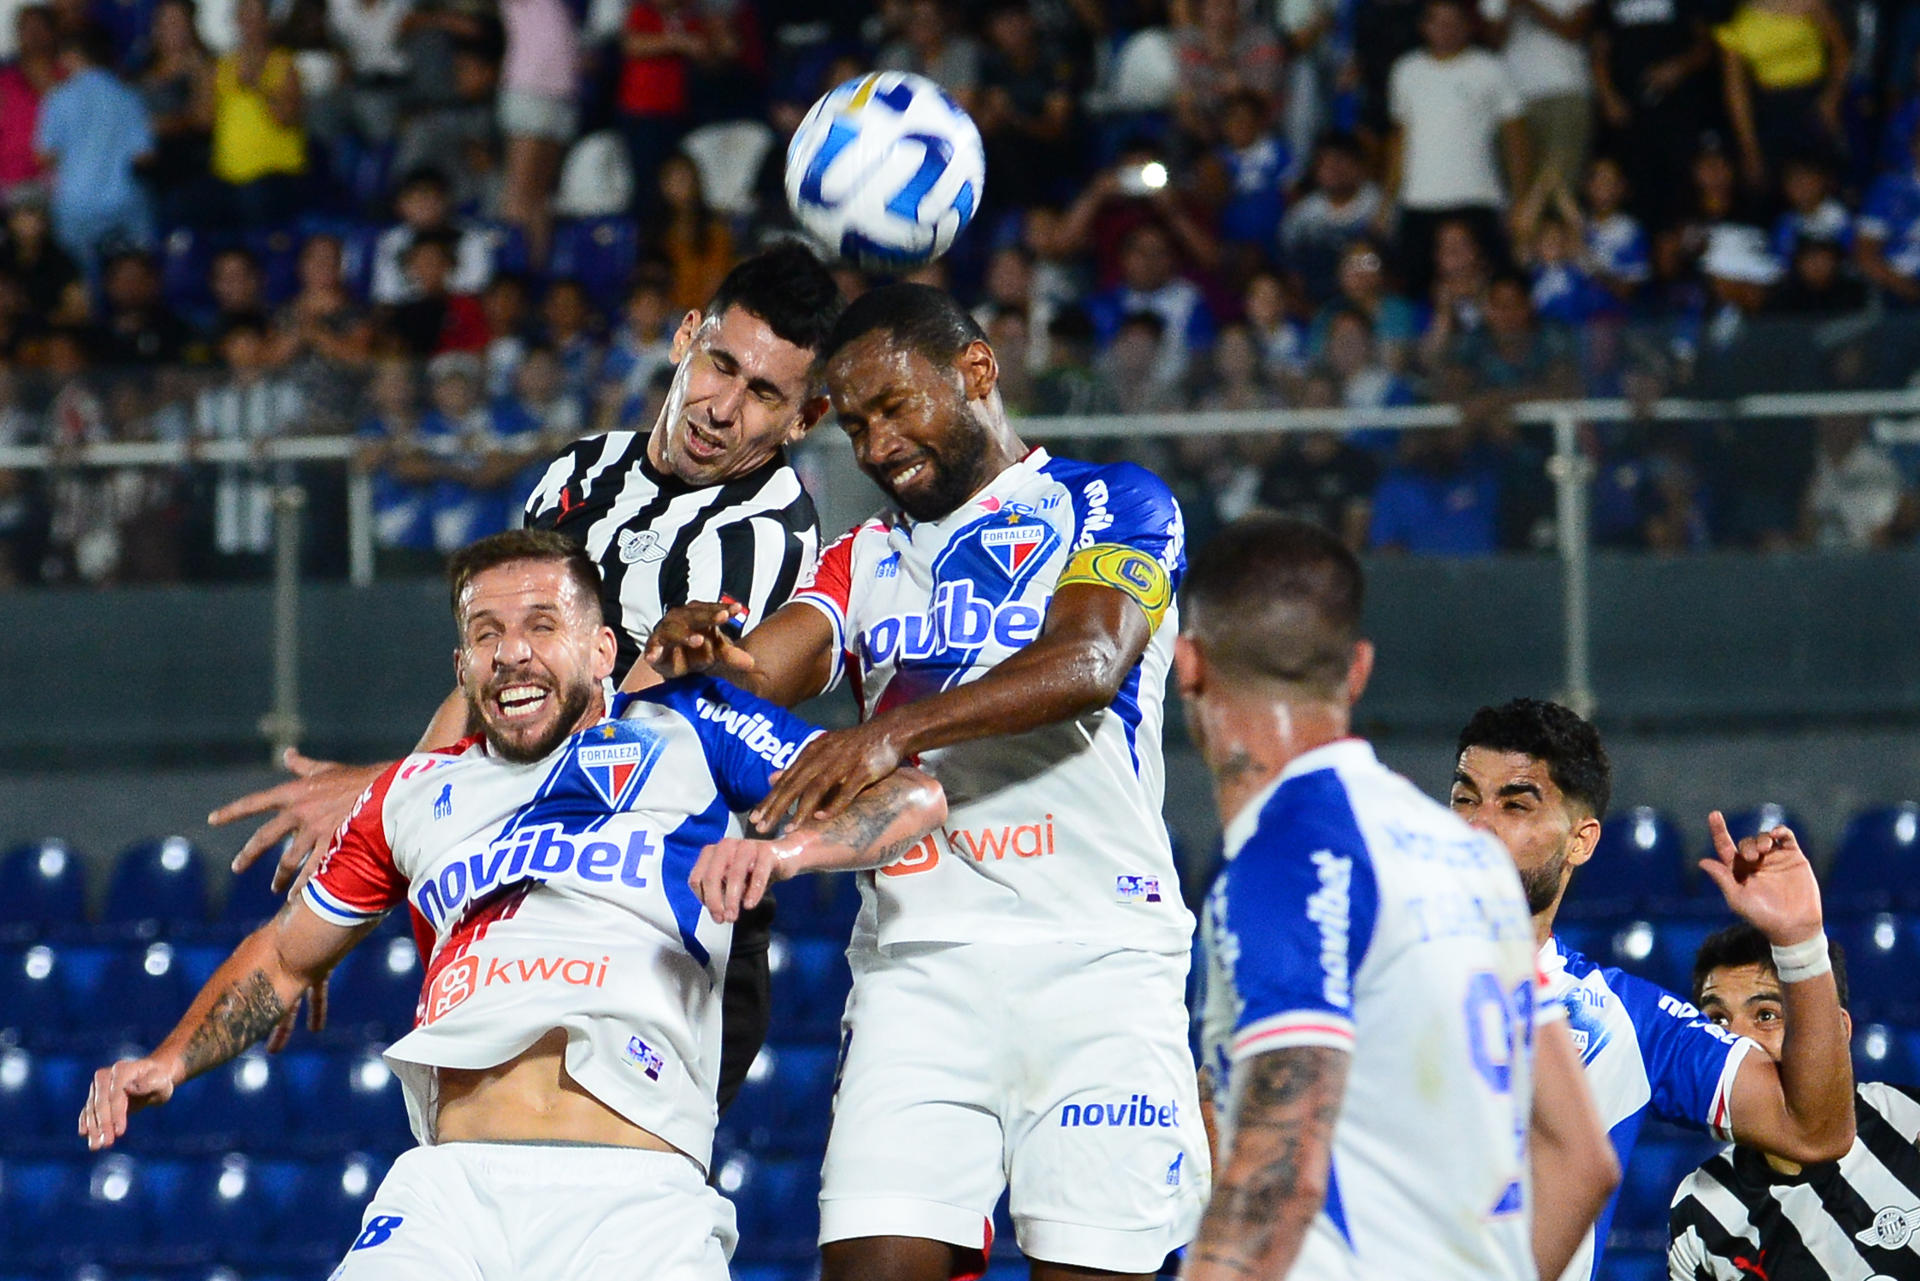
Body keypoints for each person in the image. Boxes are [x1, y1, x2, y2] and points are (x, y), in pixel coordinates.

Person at [79, 529, 948, 1276]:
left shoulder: (692, 728)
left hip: (634, 1198)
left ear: (603, 649)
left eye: (541, 625)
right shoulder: (410, 793)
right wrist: (169, 1060)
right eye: (485, 634)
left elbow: (910, 799)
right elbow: (282, 954)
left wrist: (779, 850)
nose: (512, 653)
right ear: (462, 665)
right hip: (448, 1193)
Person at [643, 283, 1209, 1281]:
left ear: (976, 372)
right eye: (855, 426)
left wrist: (890, 735)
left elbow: (1090, 664)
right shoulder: (863, 556)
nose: (875, 446)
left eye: (895, 408)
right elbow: (764, 669)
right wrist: (704, 649)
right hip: (918, 972)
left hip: (1099, 964)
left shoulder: (1112, 501)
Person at [209, 242, 845, 1107]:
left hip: (664, 916)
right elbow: (502, 684)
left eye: (764, 393)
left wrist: (382, 792)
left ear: (803, 420)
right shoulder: (576, 475)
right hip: (523, 888)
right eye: (721, 364)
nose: (723, 408)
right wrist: (383, 829)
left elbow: (632, 732)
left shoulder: (765, 533)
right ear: (685, 337)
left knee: (609, 1202)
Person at [1180, 515, 1617, 1281]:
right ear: (1357, 669)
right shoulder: (1467, 859)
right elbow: (1581, 1157)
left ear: (1187, 665)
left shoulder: (1287, 852)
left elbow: (1281, 1173)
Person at [1447, 697, 1858, 1281]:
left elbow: (1813, 1129)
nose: (1476, 824)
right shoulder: (1349, 963)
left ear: (1580, 842)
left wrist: (1799, 941)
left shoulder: (1627, 1023)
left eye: (1514, 804)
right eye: (1465, 797)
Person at [1669, 924, 1920, 1280]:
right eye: (1718, 1020)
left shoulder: (1911, 1123)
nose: (1735, 1043)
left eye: (1766, 1016)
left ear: (1837, 1031)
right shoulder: (1700, 1210)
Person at [1383, 0, 1531, 296]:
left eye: (1454, 22)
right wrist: (1389, 197)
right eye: (1438, 22)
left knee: (1495, 286)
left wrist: (1520, 198)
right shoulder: (1405, 71)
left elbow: (1516, 139)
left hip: (1478, 195)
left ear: (1469, 26)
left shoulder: (1491, 68)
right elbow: (1399, 139)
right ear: (1424, 27)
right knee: (1414, 290)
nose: (1446, 30)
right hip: (1419, 199)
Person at [33, 23, 153, 276]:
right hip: (123, 202)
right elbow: (144, 155)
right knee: (132, 273)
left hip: (75, 205)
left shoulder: (59, 98)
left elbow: (44, 156)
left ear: (73, 54)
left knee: (83, 280)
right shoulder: (127, 96)